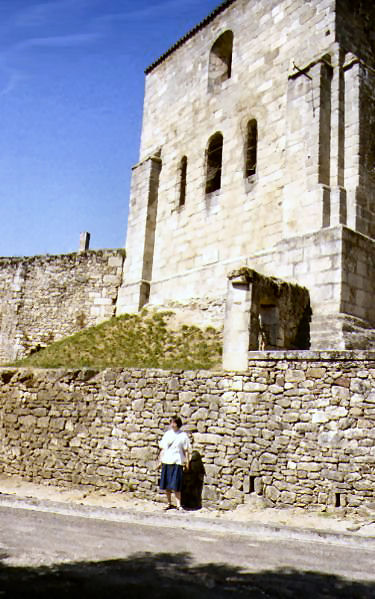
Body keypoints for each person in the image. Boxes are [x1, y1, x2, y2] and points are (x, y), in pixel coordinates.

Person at [159, 415, 191, 511]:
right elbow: (163, 448)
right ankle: (169, 503)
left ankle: (178, 504)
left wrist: (187, 462)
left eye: (174, 423)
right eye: (171, 422)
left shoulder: (183, 436)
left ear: (178, 424)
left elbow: (186, 450)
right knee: (166, 484)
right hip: (167, 460)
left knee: (176, 485)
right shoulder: (167, 434)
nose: (172, 425)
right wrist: (160, 460)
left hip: (177, 461)